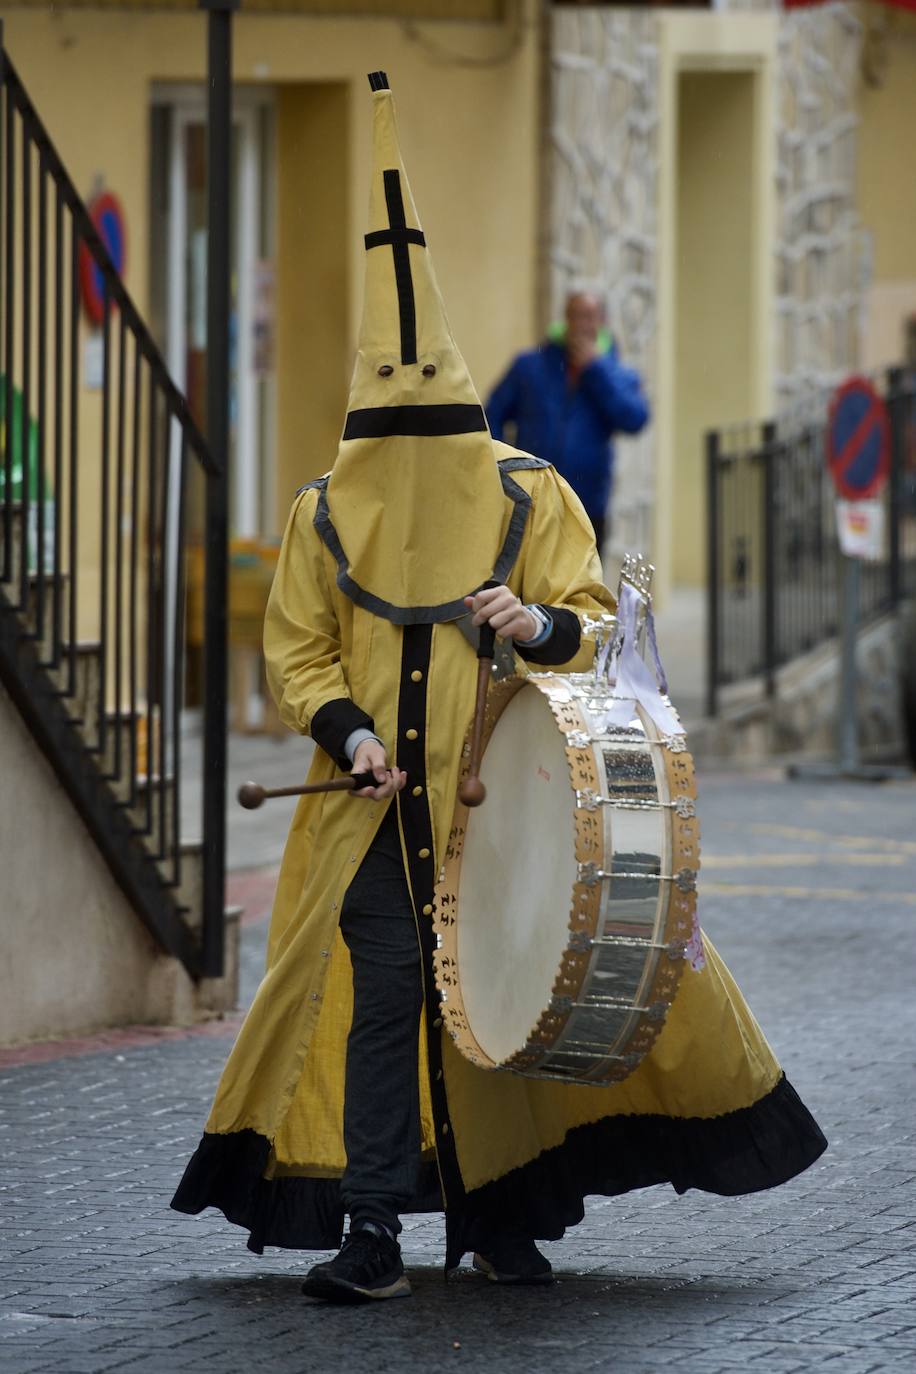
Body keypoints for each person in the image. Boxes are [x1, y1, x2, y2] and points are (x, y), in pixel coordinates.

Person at [171, 72, 826, 1305]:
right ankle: (373, 1231)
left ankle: (494, 1207)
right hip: (370, 810)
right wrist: (351, 731)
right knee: (386, 1006)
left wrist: (533, 626)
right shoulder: (321, 517)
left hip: (505, 803)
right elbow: (301, 650)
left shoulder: (532, 501)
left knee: (506, 1000)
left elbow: (605, 628)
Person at [486, 292, 649, 551]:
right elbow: (492, 413)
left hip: (588, 503)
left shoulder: (616, 372)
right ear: (565, 319)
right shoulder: (531, 366)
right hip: (531, 498)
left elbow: (635, 418)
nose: (581, 325)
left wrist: (595, 370)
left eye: (589, 317)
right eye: (575, 316)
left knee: (583, 586)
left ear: (602, 322)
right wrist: (503, 466)